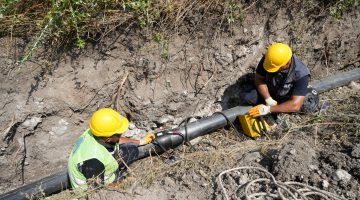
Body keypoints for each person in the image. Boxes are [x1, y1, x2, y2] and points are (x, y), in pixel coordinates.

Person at [68, 108, 155, 190]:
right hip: (95, 188)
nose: (121, 134)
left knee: (132, 150)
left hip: (102, 165)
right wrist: (124, 183)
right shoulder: (93, 162)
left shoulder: (97, 132)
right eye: (119, 134)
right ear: (108, 139)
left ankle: (117, 173)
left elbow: (117, 139)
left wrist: (141, 142)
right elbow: (98, 192)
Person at [243, 43, 319, 118]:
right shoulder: (270, 60)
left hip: (287, 98)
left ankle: (277, 113)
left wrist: (269, 109)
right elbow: (259, 78)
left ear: (287, 63)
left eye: (278, 68)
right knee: (248, 97)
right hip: (270, 93)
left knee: (303, 106)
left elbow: (295, 105)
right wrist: (268, 99)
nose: (272, 69)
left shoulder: (301, 73)